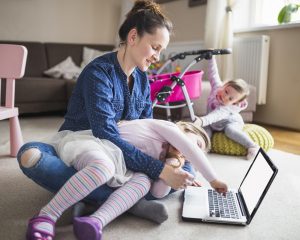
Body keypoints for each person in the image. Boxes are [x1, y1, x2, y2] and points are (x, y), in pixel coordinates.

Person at [17, 0, 195, 239]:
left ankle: (95, 208)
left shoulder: (143, 80)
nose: (157, 57)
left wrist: (172, 160)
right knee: (44, 157)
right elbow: (105, 132)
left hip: (121, 153)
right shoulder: (98, 72)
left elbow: (147, 127)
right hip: (86, 142)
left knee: (178, 168)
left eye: (160, 51)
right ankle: (53, 214)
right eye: (155, 47)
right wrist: (159, 170)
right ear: (133, 37)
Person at [27, 119, 227, 240]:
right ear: (186, 129)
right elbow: (188, 147)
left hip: (123, 168)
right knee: (102, 168)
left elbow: (158, 193)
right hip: (98, 145)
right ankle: (47, 215)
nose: (191, 154)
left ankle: (96, 221)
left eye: (197, 153)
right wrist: (213, 179)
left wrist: (174, 164)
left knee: (144, 183)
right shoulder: (165, 127)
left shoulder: (164, 157)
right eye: (197, 144)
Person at [195, 55, 259, 160]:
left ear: (234, 103)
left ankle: (252, 146)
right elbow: (213, 73)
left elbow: (214, 116)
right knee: (205, 131)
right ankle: (202, 150)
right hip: (213, 123)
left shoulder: (226, 108)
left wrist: (201, 121)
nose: (225, 97)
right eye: (226, 91)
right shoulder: (217, 86)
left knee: (230, 131)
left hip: (230, 122)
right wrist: (210, 57)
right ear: (225, 85)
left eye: (230, 99)